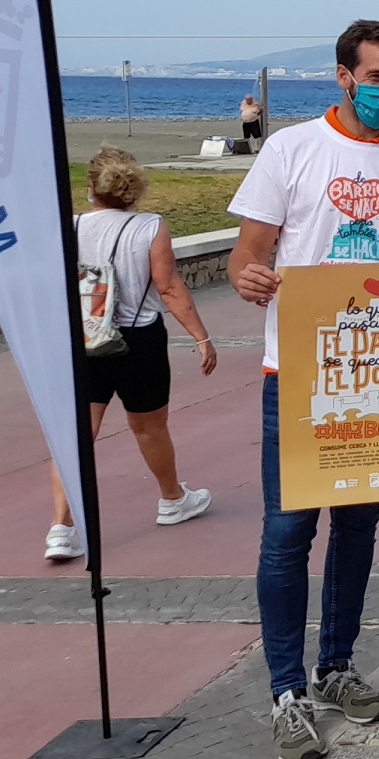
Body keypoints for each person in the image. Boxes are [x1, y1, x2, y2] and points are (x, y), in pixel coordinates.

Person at [227, 20, 379, 759]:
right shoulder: (289, 150)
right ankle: (286, 691)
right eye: (378, 76)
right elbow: (246, 258)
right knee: (287, 536)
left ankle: (337, 669)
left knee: (357, 531)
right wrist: (249, 279)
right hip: (296, 375)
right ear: (342, 75)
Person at [46, 145, 220, 561]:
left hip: (84, 339)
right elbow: (169, 287)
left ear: (92, 187)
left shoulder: (69, 227)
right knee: (148, 426)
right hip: (138, 340)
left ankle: (61, 527)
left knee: (78, 435)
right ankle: (172, 499)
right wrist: (201, 336)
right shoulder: (149, 227)